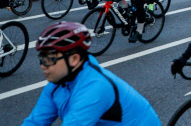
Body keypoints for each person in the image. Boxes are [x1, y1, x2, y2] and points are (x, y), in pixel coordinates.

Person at [24, 21, 160, 125]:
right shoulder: (56, 84)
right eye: (41, 59)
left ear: (74, 59)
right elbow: (35, 122)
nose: (43, 65)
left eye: (49, 59)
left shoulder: (95, 87)